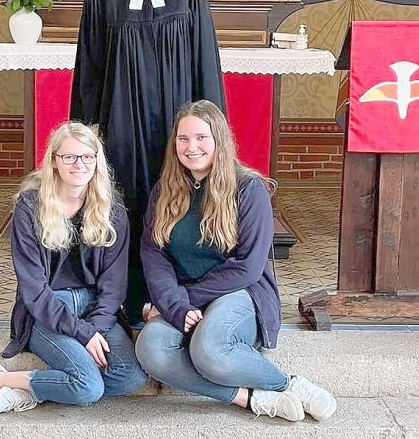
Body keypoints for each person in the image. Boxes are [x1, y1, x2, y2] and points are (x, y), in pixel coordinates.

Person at [71, 0, 226, 323]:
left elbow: (205, 62)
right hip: (121, 119)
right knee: (125, 203)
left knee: (175, 203)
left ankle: (177, 298)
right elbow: (89, 67)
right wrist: (85, 135)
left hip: (178, 125)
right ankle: (123, 301)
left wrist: (210, 128)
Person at [134, 100, 336, 422]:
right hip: (182, 298)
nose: (191, 147)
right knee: (151, 351)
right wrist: (174, 303)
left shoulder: (248, 187)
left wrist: (184, 300)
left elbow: (248, 266)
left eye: (201, 137)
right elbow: (153, 252)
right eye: (183, 139)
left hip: (240, 292)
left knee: (209, 350)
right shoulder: (166, 190)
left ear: (219, 140)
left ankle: (289, 384)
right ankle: (252, 398)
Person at [0, 122, 147, 414]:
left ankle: (32, 388)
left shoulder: (111, 209)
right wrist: (82, 333)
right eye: (69, 157)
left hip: (94, 308)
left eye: (88, 157)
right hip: (45, 309)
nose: (79, 164)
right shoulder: (29, 206)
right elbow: (33, 290)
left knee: (130, 376)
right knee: (88, 386)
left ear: (97, 162)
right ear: (54, 161)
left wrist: (94, 327)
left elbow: (114, 285)